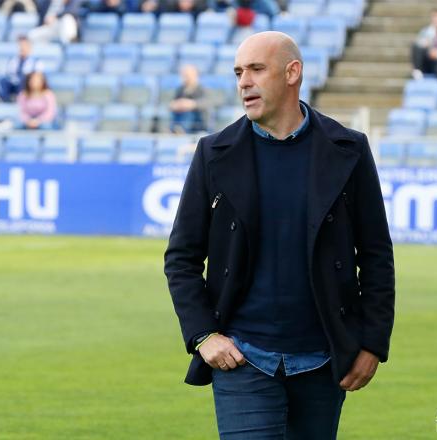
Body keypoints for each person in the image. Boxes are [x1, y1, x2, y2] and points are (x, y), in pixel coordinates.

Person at [164, 31, 395, 439]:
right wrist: (203, 335)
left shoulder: (349, 149)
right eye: (238, 72)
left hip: (324, 361)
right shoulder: (213, 153)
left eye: (256, 69)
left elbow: (376, 255)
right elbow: (181, 257)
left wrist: (373, 343)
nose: (243, 82)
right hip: (242, 359)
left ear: (293, 73)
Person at [0, 35, 44, 102]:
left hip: (26, 85)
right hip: (13, 83)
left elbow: (38, 77)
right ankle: (6, 101)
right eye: (20, 46)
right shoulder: (12, 60)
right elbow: (7, 73)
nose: (22, 48)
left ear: (29, 47)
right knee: (2, 80)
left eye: (24, 46)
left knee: (23, 81)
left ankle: (22, 102)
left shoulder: (36, 62)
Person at [169, 64, 207, 134]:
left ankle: (181, 130)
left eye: (188, 75)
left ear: (195, 75)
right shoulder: (180, 89)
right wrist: (176, 105)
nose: (186, 78)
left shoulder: (202, 89)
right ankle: (173, 130)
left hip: (197, 117)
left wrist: (192, 104)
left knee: (188, 113)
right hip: (179, 114)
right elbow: (172, 102)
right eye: (184, 76)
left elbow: (206, 103)